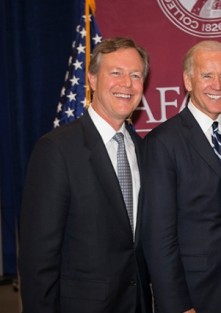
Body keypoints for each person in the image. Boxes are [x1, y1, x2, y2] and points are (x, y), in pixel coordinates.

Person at [18, 37, 152, 313]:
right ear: (92, 79)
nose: (127, 84)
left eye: (135, 75)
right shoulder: (57, 150)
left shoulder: (141, 148)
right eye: (116, 73)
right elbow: (38, 259)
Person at [141, 40, 221, 313]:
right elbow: (158, 235)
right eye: (207, 75)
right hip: (193, 295)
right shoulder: (163, 142)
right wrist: (178, 304)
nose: (217, 85)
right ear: (187, 81)